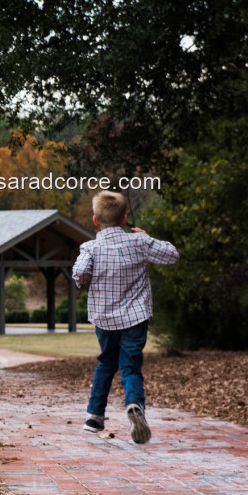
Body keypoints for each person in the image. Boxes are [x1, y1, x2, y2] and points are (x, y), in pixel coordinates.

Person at [72, 190, 178, 444]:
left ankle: (94, 417)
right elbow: (172, 254)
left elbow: (79, 274)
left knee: (106, 363)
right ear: (124, 218)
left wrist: (88, 278)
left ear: (95, 220)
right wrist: (146, 237)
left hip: (105, 320)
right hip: (135, 318)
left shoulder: (91, 247)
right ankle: (134, 405)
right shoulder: (139, 242)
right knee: (130, 366)